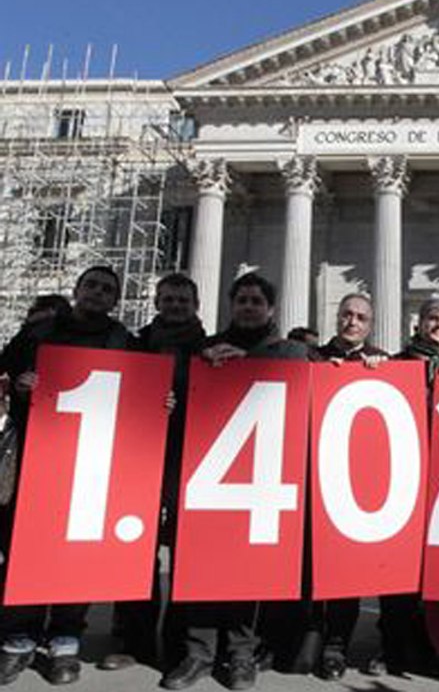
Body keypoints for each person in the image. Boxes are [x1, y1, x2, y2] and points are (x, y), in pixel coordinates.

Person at [161, 272, 306, 692]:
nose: (248, 306)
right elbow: (178, 395)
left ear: (271, 309)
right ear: (231, 305)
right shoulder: (203, 351)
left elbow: (301, 377)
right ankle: (198, 654)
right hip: (209, 478)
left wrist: (247, 364)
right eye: (241, 299)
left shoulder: (288, 351)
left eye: (256, 300)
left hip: (262, 478)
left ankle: (242, 655)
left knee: (249, 573)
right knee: (201, 569)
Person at [0, 266, 135, 686]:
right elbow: (3, 373)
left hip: (91, 459)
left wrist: (160, 400)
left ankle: (65, 638)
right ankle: (19, 636)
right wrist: (20, 384)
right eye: (91, 285)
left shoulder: (123, 342)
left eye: (107, 289)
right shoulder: (37, 333)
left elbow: (138, 396)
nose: (97, 293)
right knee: (26, 543)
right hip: (34, 453)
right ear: (77, 290)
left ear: (115, 301)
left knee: (78, 546)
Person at [263, 293, 387, 681]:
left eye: (361, 317)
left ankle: (337, 642)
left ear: (370, 324)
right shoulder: (310, 357)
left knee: (347, 568)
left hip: (354, 482)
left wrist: (379, 372)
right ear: (337, 318)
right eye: (346, 314)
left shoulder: (383, 360)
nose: (352, 322)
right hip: (309, 474)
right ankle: (305, 631)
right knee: (305, 566)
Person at [100, 273, 207, 674]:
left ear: (195, 304)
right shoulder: (135, 344)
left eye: (182, 299)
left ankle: (180, 644)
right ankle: (136, 642)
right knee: (136, 551)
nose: (175, 305)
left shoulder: (209, 349)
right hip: (139, 456)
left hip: (191, 460)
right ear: (157, 302)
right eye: (168, 299)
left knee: (187, 556)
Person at [366, 298, 439, 677]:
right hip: (403, 477)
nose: (437, 325)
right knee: (397, 572)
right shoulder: (397, 363)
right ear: (418, 324)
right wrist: (370, 368)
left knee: (437, 575)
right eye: (431, 319)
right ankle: (392, 648)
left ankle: (433, 647)